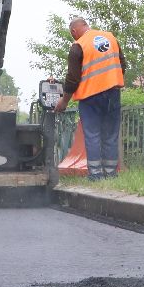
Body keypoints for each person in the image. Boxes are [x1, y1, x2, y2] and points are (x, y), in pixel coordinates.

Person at [52, 17, 126, 179]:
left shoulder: (78, 46)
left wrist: (64, 101)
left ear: (74, 31)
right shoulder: (110, 38)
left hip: (90, 97)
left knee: (93, 135)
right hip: (113, 93)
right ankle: (111, 174)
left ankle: (95, 175)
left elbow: (72, 78)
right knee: (110, 135)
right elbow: (122, 64)